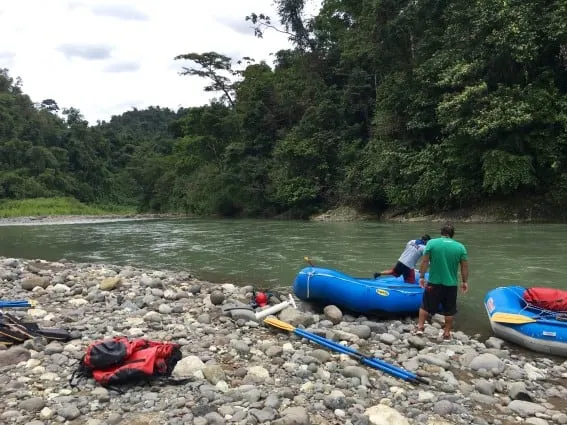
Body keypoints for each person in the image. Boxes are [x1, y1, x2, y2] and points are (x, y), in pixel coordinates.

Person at [415, 223, 468, 341]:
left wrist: (422, 277)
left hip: (434, 282)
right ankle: (447, 333)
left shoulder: (432, 243)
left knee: (425, 305)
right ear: (452, 234)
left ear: (441, 232)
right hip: (451, 284)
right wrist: (464, 282)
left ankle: (420, 327)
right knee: (449, 310)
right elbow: (464, 267)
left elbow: (424, 262)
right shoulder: (460, 247)